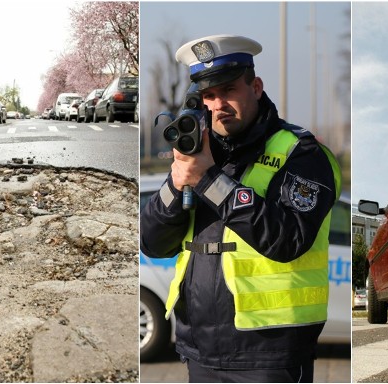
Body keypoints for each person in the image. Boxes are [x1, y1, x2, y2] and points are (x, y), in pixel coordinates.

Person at [140, 34, 341, 383]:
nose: (219, 104)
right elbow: (152, 242)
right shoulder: (199, 153)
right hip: (199, 352)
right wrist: (178, 181)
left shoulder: (302, 153)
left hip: (270, 354)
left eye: (229, 90)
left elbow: (287, 239)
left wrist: (208, 181)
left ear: (256, 87)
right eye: (208, 95)